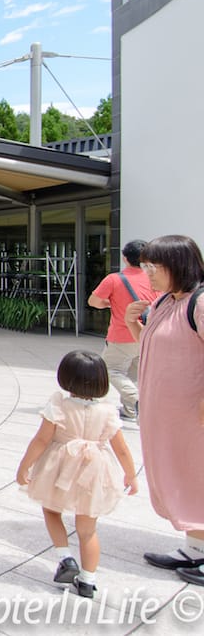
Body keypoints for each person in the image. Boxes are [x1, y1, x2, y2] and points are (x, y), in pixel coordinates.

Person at [16, 350, 139, 599]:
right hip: (94, 474)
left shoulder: (59, 405)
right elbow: (121, 449)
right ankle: (87, 581)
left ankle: (65, 558)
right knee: (88, 530)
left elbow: (41, 440)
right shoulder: (107, 411)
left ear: (65, 378)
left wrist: (24, 466)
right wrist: (131, 475)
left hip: (60, 468)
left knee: (52, 510)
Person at [124, 234, 204, 586]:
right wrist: (133, 324)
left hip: (193, 417)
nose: (148, 274)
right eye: (145, 266)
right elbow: (155, 348)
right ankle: (195, 548)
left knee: (198, 476)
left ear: (178, 265)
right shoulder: (164, 302)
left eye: (153, 267)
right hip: (167, 416)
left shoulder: (199, 302)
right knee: (182, 476)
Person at [88, 240, 156, 421]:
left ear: (125, 258)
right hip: (145, 334)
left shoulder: (114, 279)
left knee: (109, 369)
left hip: (121, 334)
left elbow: (93, 302)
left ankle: (136, 401)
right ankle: (130, 410)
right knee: (135, 372)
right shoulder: (154, 279)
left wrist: (110, 302)